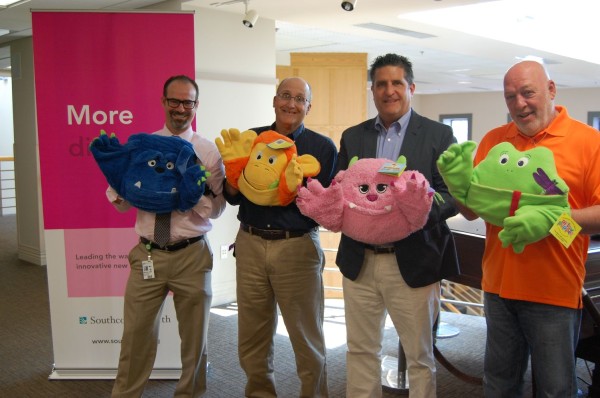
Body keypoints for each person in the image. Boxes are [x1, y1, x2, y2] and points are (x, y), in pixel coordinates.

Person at [459, 60, 600, 397]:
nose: (519, 104)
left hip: (554, 291)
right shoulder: (494, 140)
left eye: (527, 93)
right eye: (510, 97)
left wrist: (551, 221)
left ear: (550, 90)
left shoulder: (588, 141)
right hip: (498, 289)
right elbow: (469, 211)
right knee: (498, 385)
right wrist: (458, 183)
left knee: (555, 389)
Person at [335, 53, 460, 398]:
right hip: (359, 260)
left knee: (419, 357)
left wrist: (414, 213)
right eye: (381, 84)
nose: (389, 91)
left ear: (411, 88)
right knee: (360, 350)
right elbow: (341, 188)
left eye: (396, 83)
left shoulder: (438, 134)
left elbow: (450, 194)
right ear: (372, 90)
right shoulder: (352, 136)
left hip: (415, 258)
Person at [109, 75, 226, 397]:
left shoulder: (208, 151)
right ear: (163, 102)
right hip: (148, 254)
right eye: (174, 101)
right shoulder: (142, 145)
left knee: (195, 341)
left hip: (192, 255)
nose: (180, 108)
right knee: (135, 336)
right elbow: (118, 197)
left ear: (196, 105)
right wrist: (123, 194)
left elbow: (217, 209)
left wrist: (192, 192)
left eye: (187, 102)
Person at [222, 77, 337, 397]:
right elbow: (232, 195)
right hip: (250, 243)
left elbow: (325, 205)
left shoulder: (322, 147)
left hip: (297, 246)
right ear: (274, 100)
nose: (291, 103)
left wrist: (292, 187)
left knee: (306, 335)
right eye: (285, 96)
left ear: (308, 107)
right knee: (252, 334)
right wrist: (234, 172)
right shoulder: (252, 138)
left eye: (300, 99)